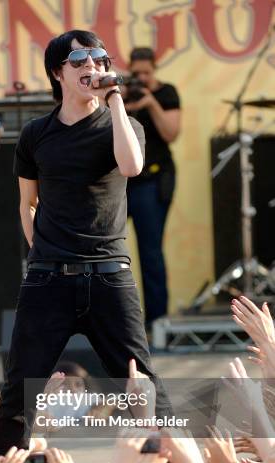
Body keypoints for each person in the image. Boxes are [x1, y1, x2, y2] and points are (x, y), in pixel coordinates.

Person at [0, 29, 172, 463]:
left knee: (139, 379)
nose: (93, 66)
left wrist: (116, 101)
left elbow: (131, 165)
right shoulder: (36, 134)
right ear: (58, 73)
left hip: (109, 274)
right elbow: (26, 204)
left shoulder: (124, 125)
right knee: (20, 386)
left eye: (100, 58)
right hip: (50, 277)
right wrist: (42, 254)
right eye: (80, 61)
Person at [124, 47, 181, 327]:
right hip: (121, 183)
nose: (142, 78)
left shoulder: (165, 93)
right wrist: (119, 103)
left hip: (153, 180)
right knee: (107, 251)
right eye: (136, 74)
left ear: (155, 69)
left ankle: (156, 324)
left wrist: (150, 104)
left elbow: (171, 133)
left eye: (146, 73)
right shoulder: (119, 93)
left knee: (150, 253)